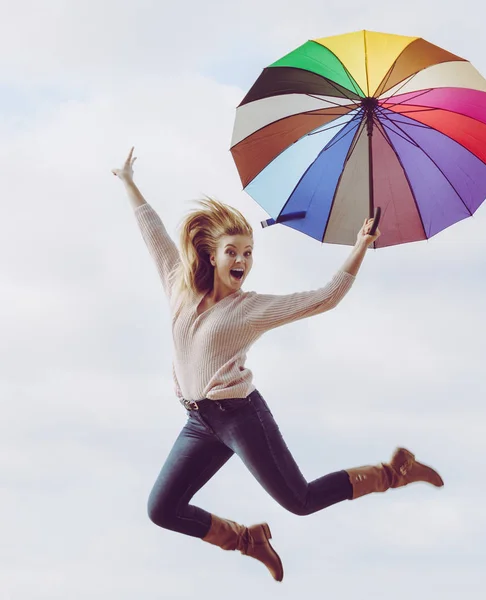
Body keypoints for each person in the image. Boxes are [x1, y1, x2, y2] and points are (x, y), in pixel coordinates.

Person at [112, 147, 443, 583]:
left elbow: (324, 298)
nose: (243, 262)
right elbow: (153, 234)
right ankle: (247, 540)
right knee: (161, 509)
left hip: (240, 417)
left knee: (300, 500)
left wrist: (361, 245)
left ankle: (392, 472)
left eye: (249, 253)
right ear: (212, 255)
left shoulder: (250, 309)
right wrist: (128, 181)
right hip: (199, 422)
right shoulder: (179, 287)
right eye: (234, 252)